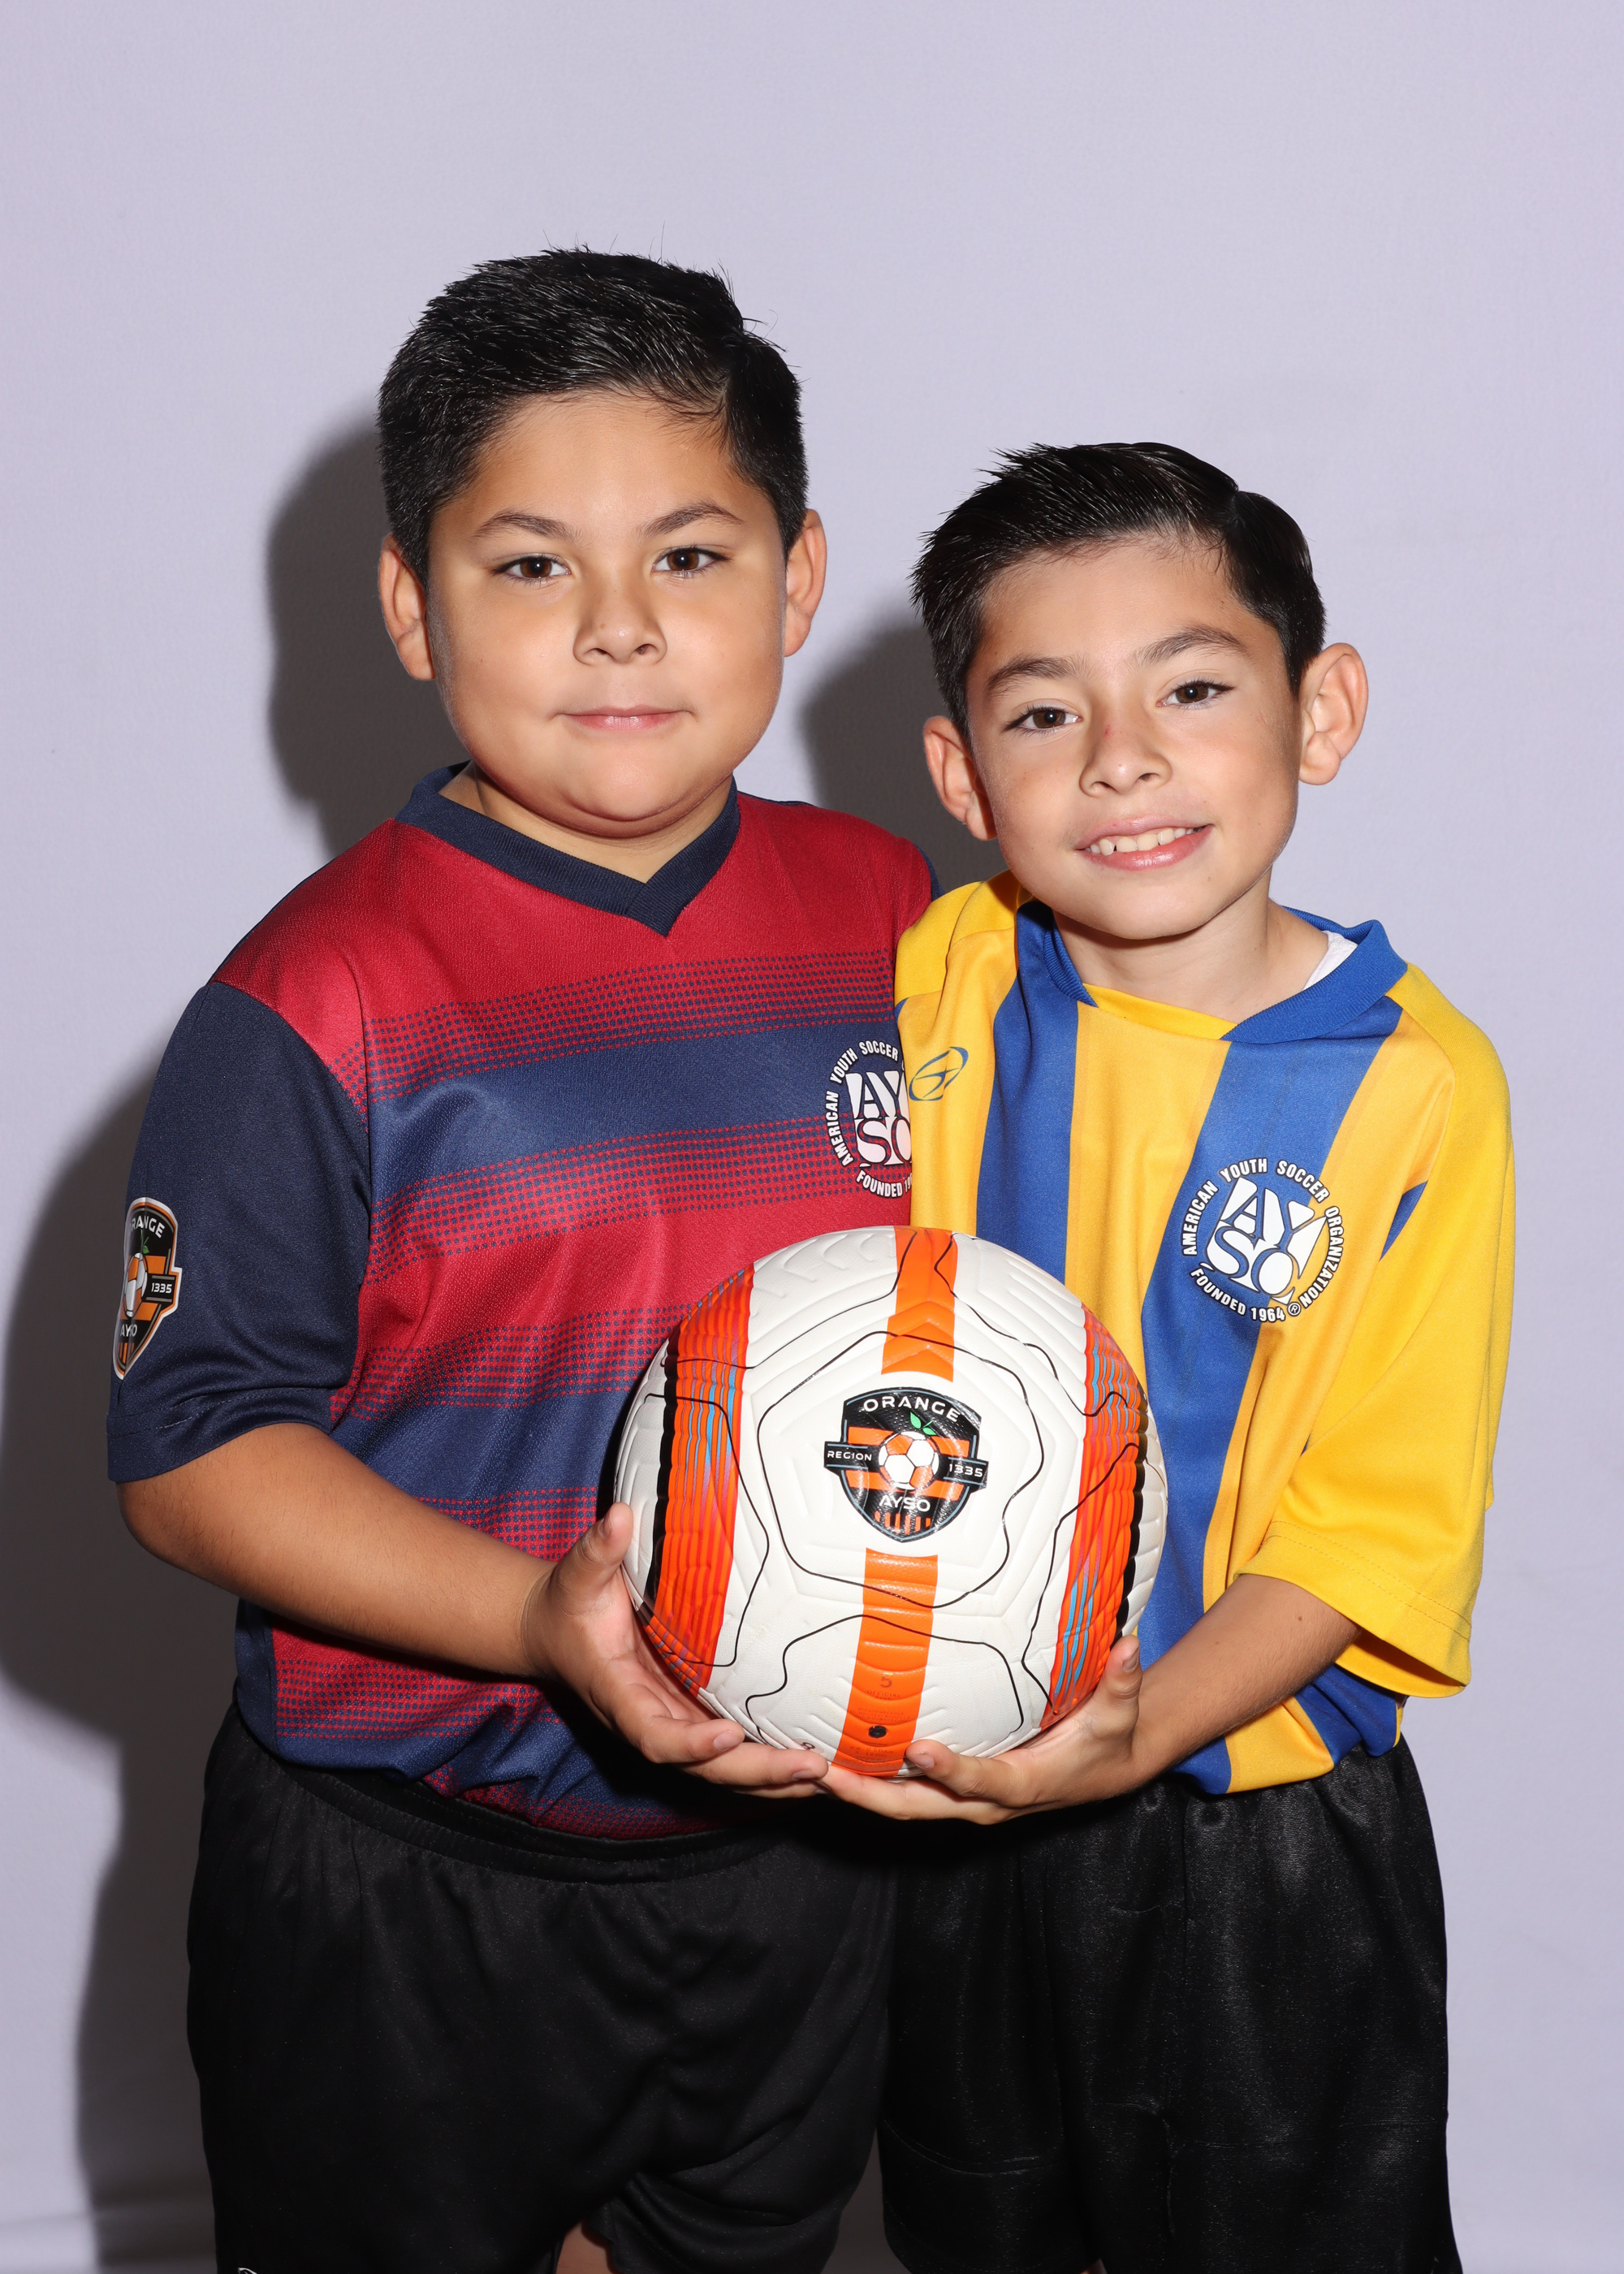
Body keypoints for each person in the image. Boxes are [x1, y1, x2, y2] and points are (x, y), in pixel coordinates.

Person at [108, 250, 931, 2274]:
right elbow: (190, 1449)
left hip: (795, 1864)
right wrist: (540, 1621)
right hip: (408, 1872)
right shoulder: (314, 995)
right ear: (413, 606)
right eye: (532, 564)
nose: (620, 623)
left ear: (801, 579)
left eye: (691, 553)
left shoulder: (908, 923)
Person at [824, 444, 1514, 2274]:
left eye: (1192, 689)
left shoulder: (1415, 1087)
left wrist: (1132, 1734)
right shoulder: (940, 973)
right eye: (1045, 713)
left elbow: (1369, 1536)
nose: (1120, 759)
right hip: (958, 1806)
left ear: (1321, 708)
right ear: (963, 774)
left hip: (1257, 1829)